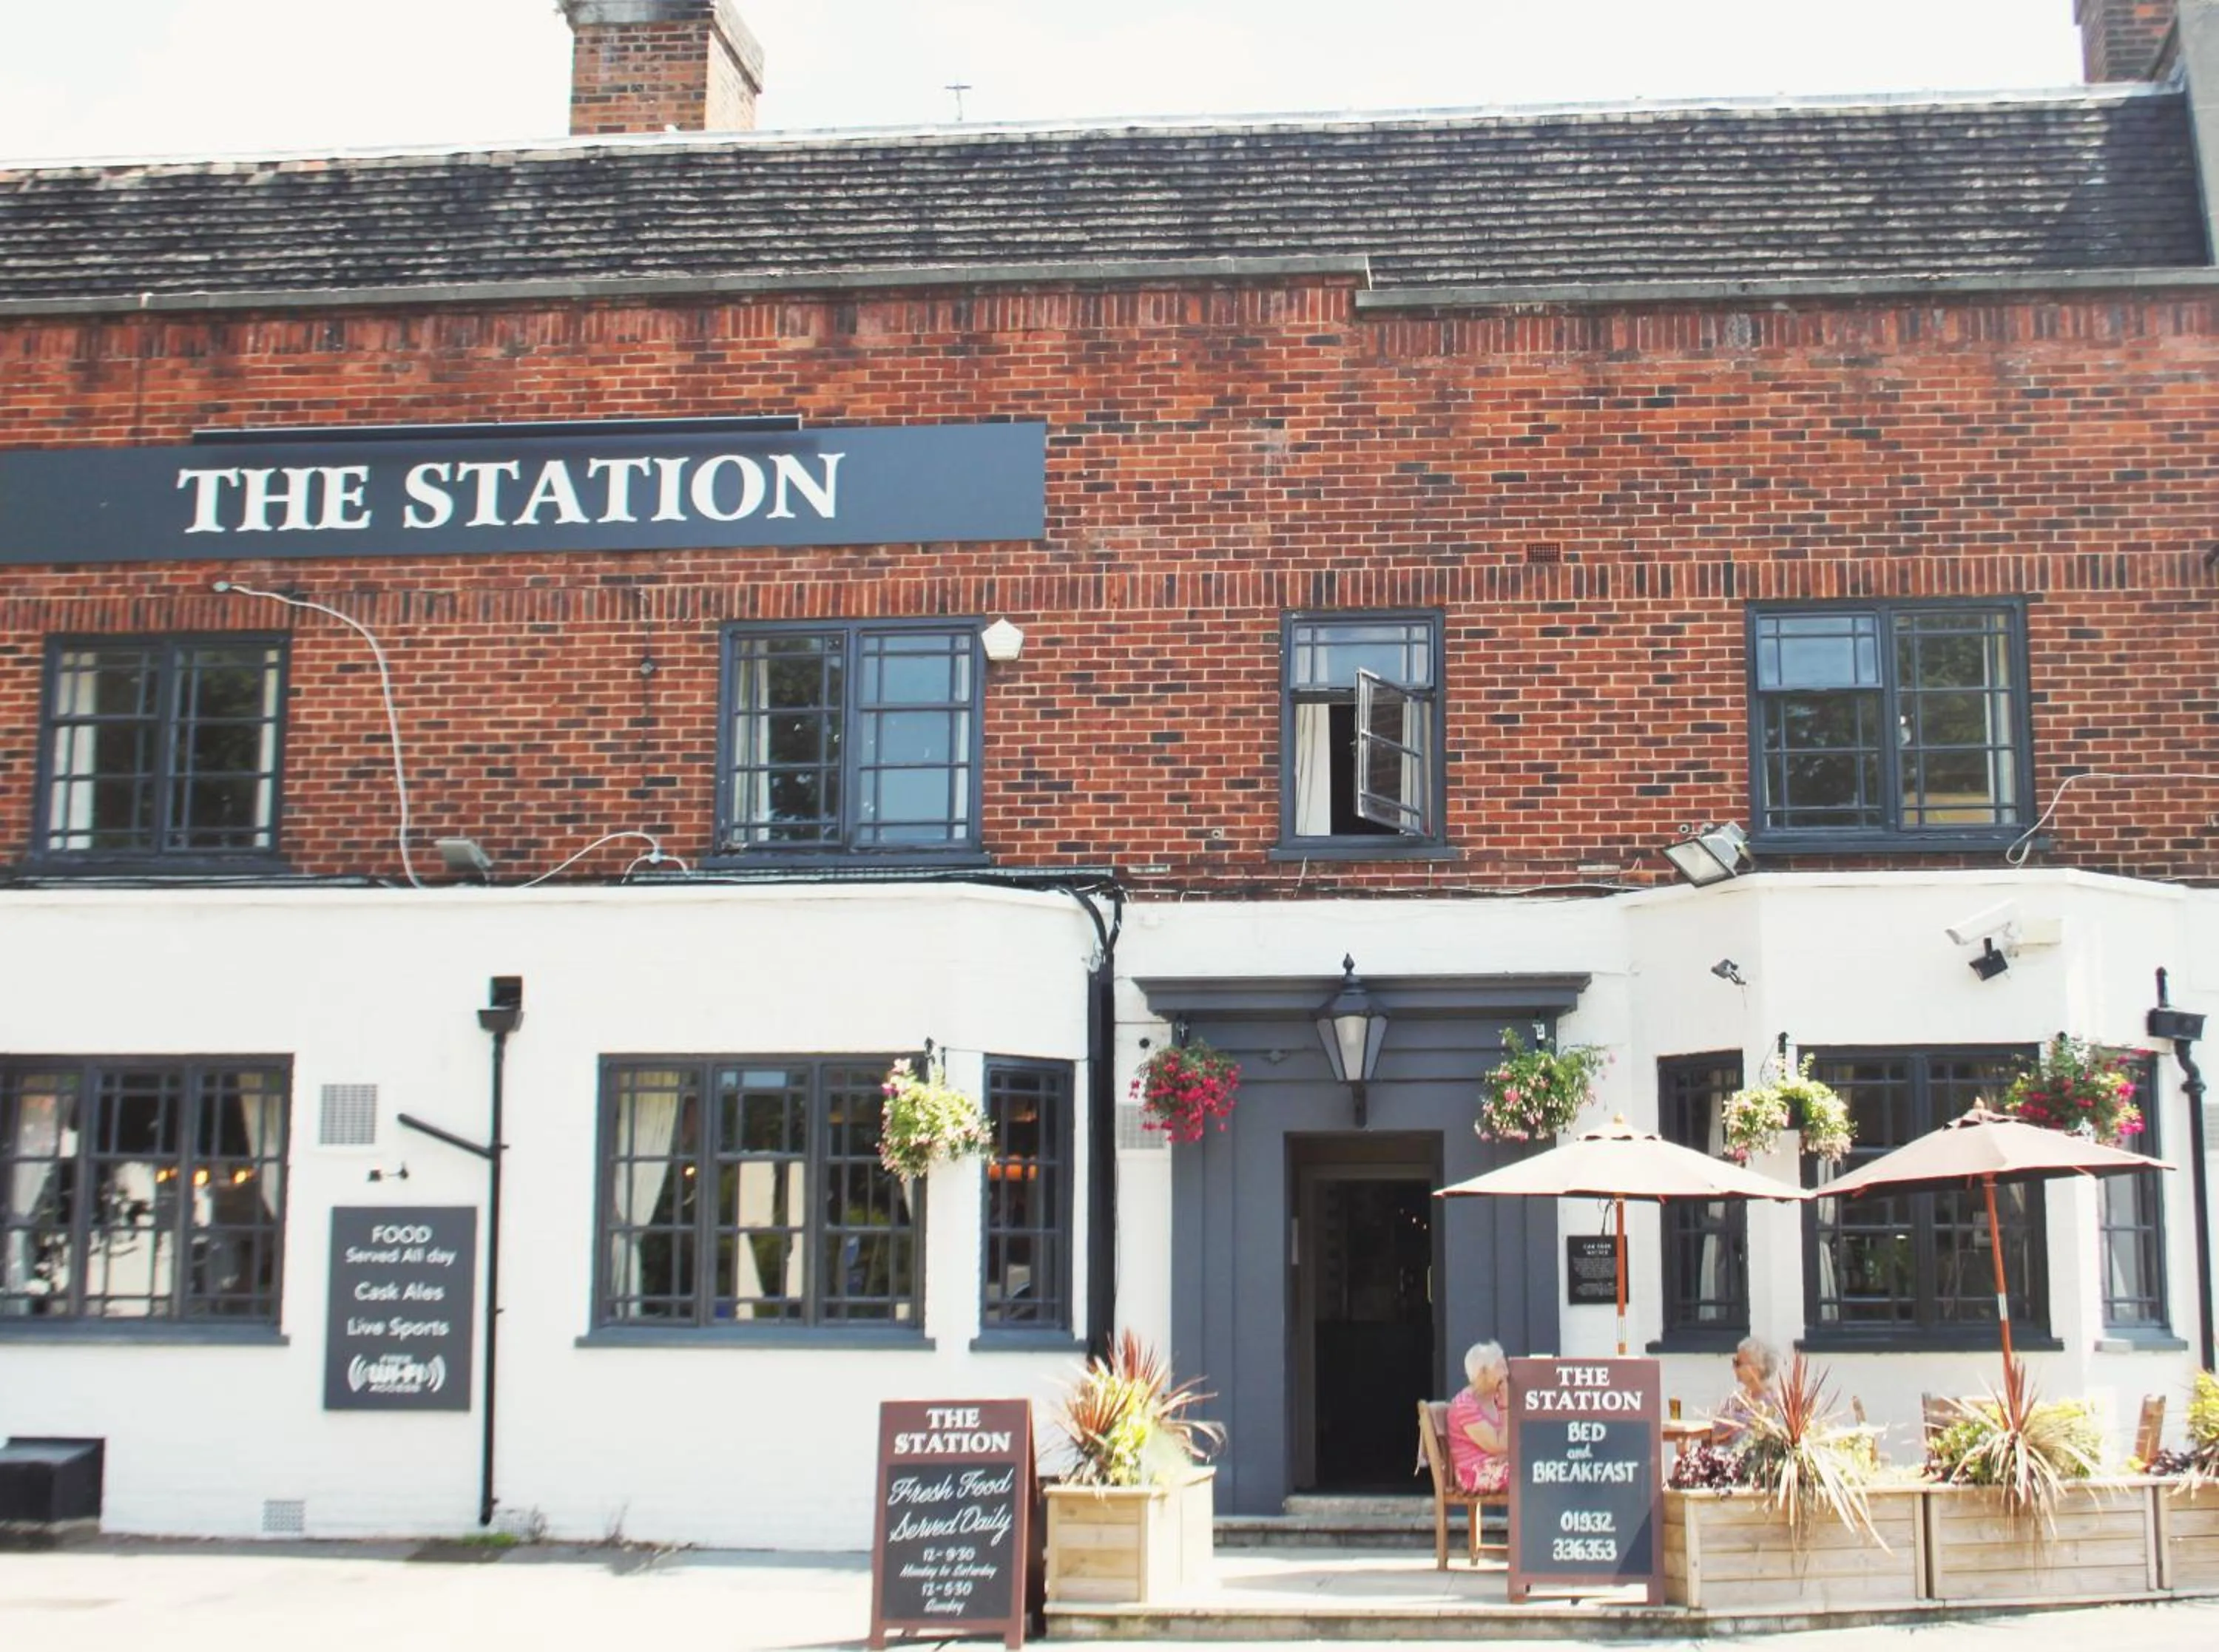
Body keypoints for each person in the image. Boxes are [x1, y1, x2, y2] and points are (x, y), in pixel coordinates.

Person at [1445, 1339, 1511, 1494]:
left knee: (1540, 1468)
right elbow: (1498, 1446)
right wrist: (1506, 1406)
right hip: (1474, 1473)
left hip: (1496, 1467)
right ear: (1483, 1373)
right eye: (1500, 1367)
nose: (1507, 1372)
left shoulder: (1495, 1398)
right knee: (1531, 1474)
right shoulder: (1465, 1405)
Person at [1712, 1335, 1778, 1446]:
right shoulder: (1735, 1400)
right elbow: (1715, 1437)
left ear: (1756, 1368)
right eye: (1734, 1362)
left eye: (1738, 1363)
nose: (1733, 1368)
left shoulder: (1774, 1403)